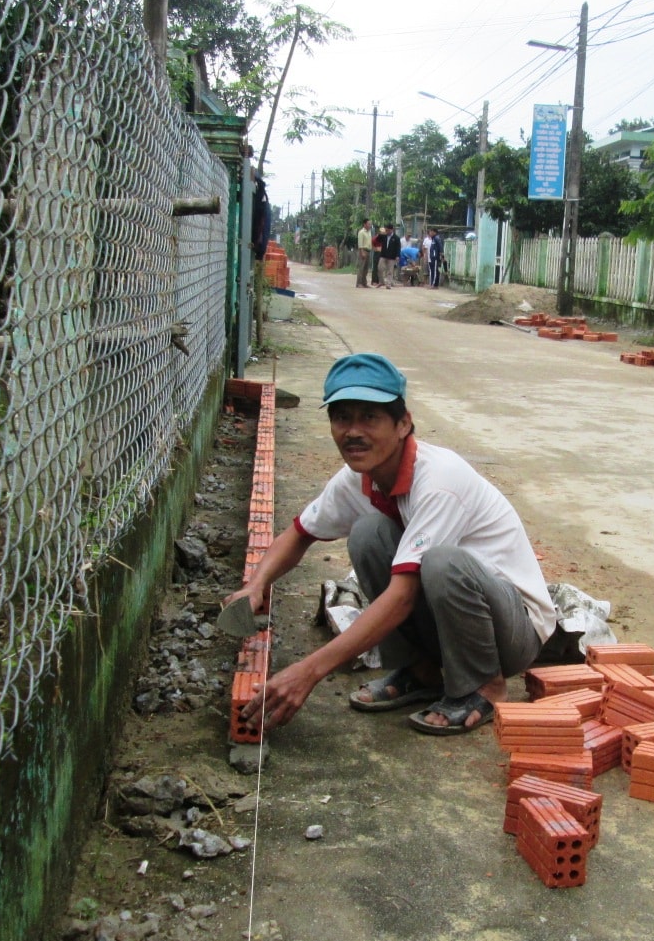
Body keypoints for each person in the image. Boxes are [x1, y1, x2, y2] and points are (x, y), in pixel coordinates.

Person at [229, 353, 559, 736]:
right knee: (369, 532)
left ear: (404, 424)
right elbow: (300, 533)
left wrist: (309, 671)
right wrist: (255, 586)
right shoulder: (358, 477)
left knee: (441, 562)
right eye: (342, 417)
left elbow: (402, 597)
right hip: (451, 620)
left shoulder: (439, 481)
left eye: (370, 417)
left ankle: (484, 685)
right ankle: (422, 673)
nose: (353, 432)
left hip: (512, 629)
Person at [378, 225, 401, 289]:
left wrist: (397, 256)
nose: (386, 231)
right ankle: (381, 281)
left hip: (391, 256)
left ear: (391, 230)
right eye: (386, 230)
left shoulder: (396, 238)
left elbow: (398, 247)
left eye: (387, 230)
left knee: (390, 271)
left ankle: (388, 284)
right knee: (380, 268)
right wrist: (380, 233)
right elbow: (378, 240)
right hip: (383, 255)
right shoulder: (384, 236)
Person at [355, 219, 373, 288]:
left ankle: (364, 283)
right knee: (361, 268)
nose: (370, 225)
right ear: (364, 224)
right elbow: (360, 243)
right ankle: (359, 283)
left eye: (370, 224)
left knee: (366, 269)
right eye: (368, 224)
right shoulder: (361, 232)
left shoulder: (369, 232)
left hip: (368, 251)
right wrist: (362, 252)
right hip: (363, 250)